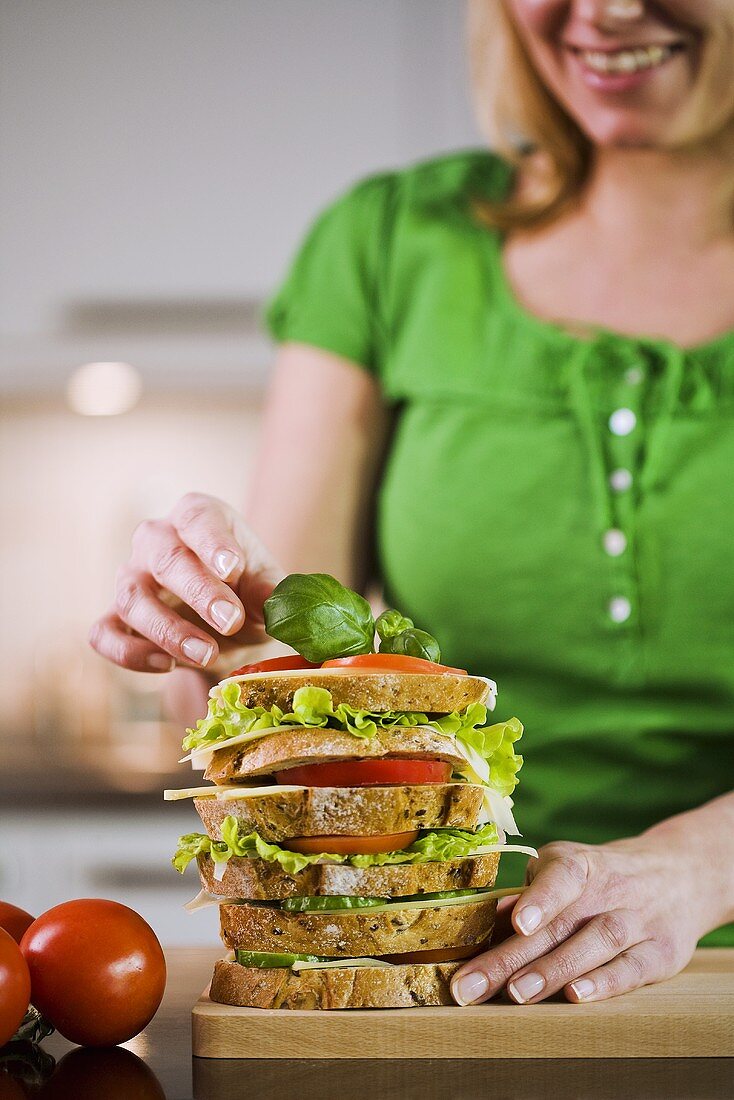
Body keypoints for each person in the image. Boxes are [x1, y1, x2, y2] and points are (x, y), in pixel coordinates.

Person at [90, 0, 734, 1007]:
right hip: (446, 989)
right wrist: (223, 644)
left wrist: (696, 867)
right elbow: (258, 703)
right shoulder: (389, 242)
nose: (605, 11)